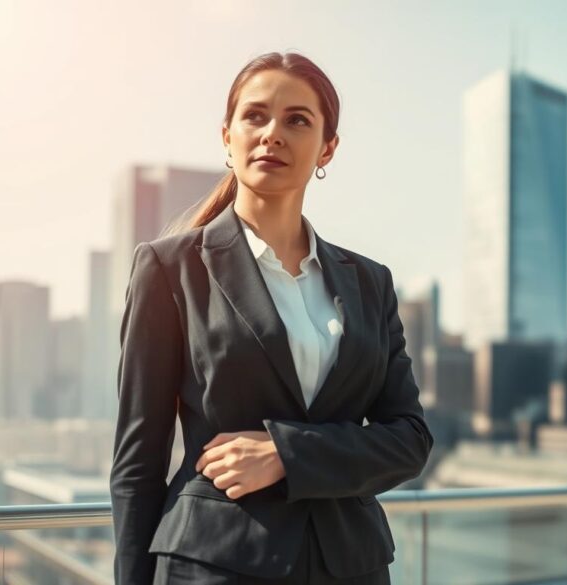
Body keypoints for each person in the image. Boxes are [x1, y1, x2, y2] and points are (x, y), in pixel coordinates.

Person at [110, 52, 432, 584]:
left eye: (297, 120)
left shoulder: (371, 282)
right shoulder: (169, 269)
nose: (272, 133)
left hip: (351, 567)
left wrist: (288, 454)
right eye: (255, 116)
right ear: (227, 136)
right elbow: (137, 466)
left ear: (327, 147)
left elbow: (410, 439)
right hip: (214, 566)